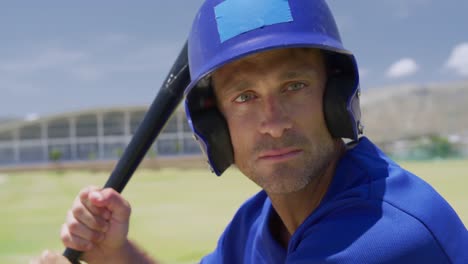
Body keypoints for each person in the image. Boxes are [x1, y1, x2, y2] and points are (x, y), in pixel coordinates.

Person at [33, 0, 467, 263]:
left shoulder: (381, 236)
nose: (274, 123)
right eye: (244, 97)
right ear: (214, 124)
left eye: (294, 86)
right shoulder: (257, 223)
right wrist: (116, 255)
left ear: (336, 97)